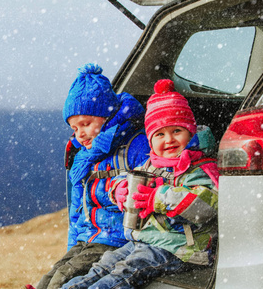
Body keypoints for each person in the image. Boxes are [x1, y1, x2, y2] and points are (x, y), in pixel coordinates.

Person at [62, 79, 219, 289]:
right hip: (147, 239)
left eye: (177, 131)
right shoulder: (152, 164)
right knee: (104, 265)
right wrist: (117, 190)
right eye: (160, 134)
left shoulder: (198, 167)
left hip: (180, 247)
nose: (169, 139)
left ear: (190, 132)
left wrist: (160, 198)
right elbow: (127, 179)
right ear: (150, 140)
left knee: (126, 272)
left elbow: (205, 206)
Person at [29, 63, 150, 289]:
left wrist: (114, 190)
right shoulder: (83, 159)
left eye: (85, 124)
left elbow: (152, 184)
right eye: (74, 128)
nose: (80, 134)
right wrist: (72, 247)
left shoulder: (135, 145)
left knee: (63, 280)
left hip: (115, 241)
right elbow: (77, 214)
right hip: (88, 240)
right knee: (48, 279)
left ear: (106, 115)